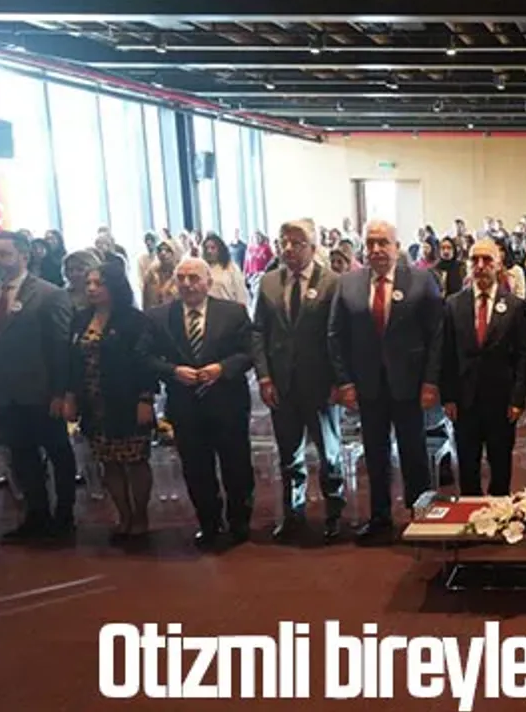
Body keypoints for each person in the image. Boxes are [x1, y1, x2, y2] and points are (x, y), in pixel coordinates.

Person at [329, 220, 444, 543]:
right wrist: (345, 382)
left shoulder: (422, 280)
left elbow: (437, 336)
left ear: (397, 246)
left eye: (383, 243)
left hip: (410, 384)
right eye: (371, 243)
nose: (377, 249)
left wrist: (431, 382)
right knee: (375, 454)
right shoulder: (348, 283)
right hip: (368, 385)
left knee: (414, 452)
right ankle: (379, 518)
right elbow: (335, 335)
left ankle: (420, 516)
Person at [146, 258, 257, 548]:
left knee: (236, 467)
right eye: (181, 278)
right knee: (196, 469)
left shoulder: (233, 312)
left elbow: (250, 352)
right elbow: (145, 357)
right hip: (185, 407)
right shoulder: (159, 317)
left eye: (194, 278)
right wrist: (173, 371)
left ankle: (239, 522)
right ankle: (209, 523)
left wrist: (222, 368)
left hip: (227, 403)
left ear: (208, 281)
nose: (187, 284)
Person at [253, 220, 346, 542]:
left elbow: (339, 336)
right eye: (284, 242)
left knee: (329, 454)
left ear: (313, 247)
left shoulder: (332, 283)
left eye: (297, 243)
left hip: (321, 385)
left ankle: (334, 513)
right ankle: (293, 514)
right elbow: (258, 332)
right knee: (288, 455)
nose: (289, 249)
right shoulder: (268, 283)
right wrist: (264, 377)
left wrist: (340, 381)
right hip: (282, 384)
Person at [64, 260, 159, 539]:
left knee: (135, 461)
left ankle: (140, 517)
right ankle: (124, 516)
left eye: (99, 283)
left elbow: (145, 364)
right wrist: (70, 396)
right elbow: (72, 362)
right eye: (89, 283)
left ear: (115, 286)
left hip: (127, 401)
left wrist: (145, 399)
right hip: (94, 404)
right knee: (109, 462)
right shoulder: (81, 319)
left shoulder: (134, 320)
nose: (91, 288)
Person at [0, 230, 78, 539]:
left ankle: (65, 515)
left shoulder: (49, 294)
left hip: (42, 392)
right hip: (6, 394)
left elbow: (60, 348)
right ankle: (36, 515)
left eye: (4, 254)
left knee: (58, 453)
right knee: (22, 456)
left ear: (24, 256)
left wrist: (60, 392)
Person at [441, 239, 526, 497]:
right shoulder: (452, 304)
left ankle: (500, 511)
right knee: (467, 464)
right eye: (474, 260)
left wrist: (517, 399)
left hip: (501, 400)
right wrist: (448, 397)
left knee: (500, 463)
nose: (480, 265)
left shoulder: (515, 306)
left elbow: (523, 356)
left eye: (487, 260)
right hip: (464, 401)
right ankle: (471, 511)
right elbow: (447, 353)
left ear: (498, 264)